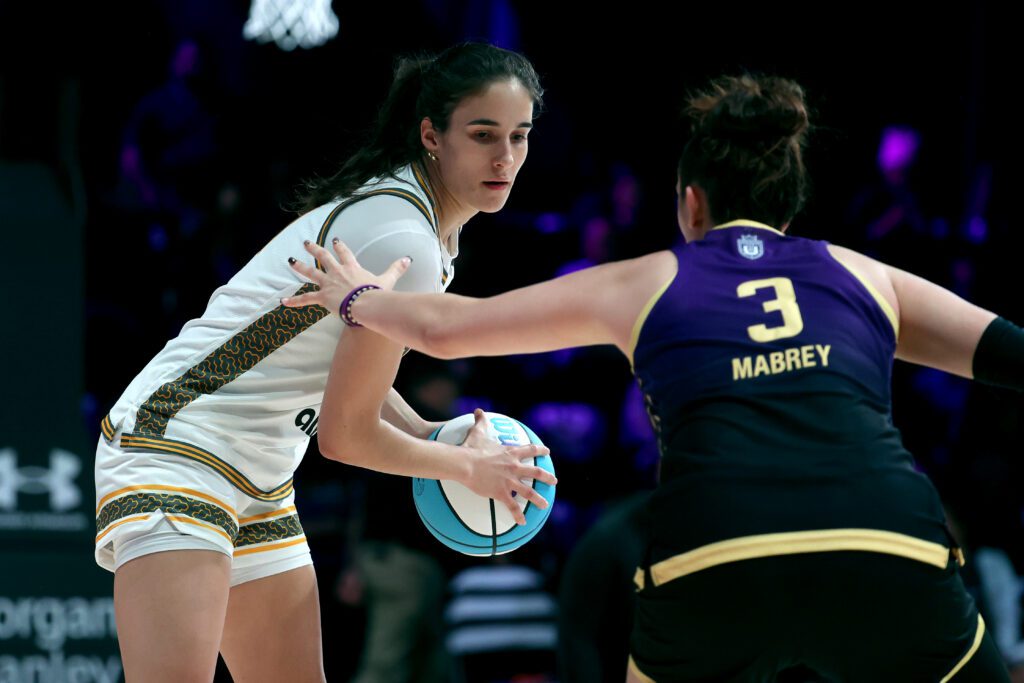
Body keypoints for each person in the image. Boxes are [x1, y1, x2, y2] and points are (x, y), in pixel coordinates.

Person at [284, 74, 1024, 681]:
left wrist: (354, 295)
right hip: (888, 541)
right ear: (789, 207)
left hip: (716, 548)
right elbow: (1012, 356)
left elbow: (445, 326)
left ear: (691, 205)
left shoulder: (647, 279)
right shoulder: (866, 275)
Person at [94, 42, 555, 683]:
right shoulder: (407, 240)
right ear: (431, 134)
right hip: (178, 440)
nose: (505, 157)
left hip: (259, 470)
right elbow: (345, 435)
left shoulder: (416, 224)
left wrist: (427, 433)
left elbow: (340, 365)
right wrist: (464, 466)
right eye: (483, 135)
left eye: (519, 136)